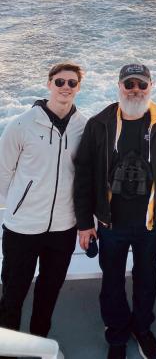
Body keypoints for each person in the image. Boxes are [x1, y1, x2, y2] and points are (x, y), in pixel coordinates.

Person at [73, 63, 156, 359]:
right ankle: (117, 334)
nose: (135, 90)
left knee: (147, 281)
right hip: (110, 225)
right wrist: (85, 222)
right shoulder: (100, 124)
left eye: (142, 85)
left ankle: (142, 328)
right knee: (112, 283)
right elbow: (83, 175)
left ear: (151, 87)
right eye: (129, 84)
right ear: (118, 86)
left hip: (149, 225)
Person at [0, 62, 86, 338]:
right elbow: (3, 172)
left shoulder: (84, 127)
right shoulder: (22, 124)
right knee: (12, 294)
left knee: (48, 294)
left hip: (63, 228)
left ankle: (39, 343)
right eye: (60, 82)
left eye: (72, 83)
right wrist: (18, 206)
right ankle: (8, 350)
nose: (65, 87)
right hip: (22, 227)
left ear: (78, 88)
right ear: (49, 84)